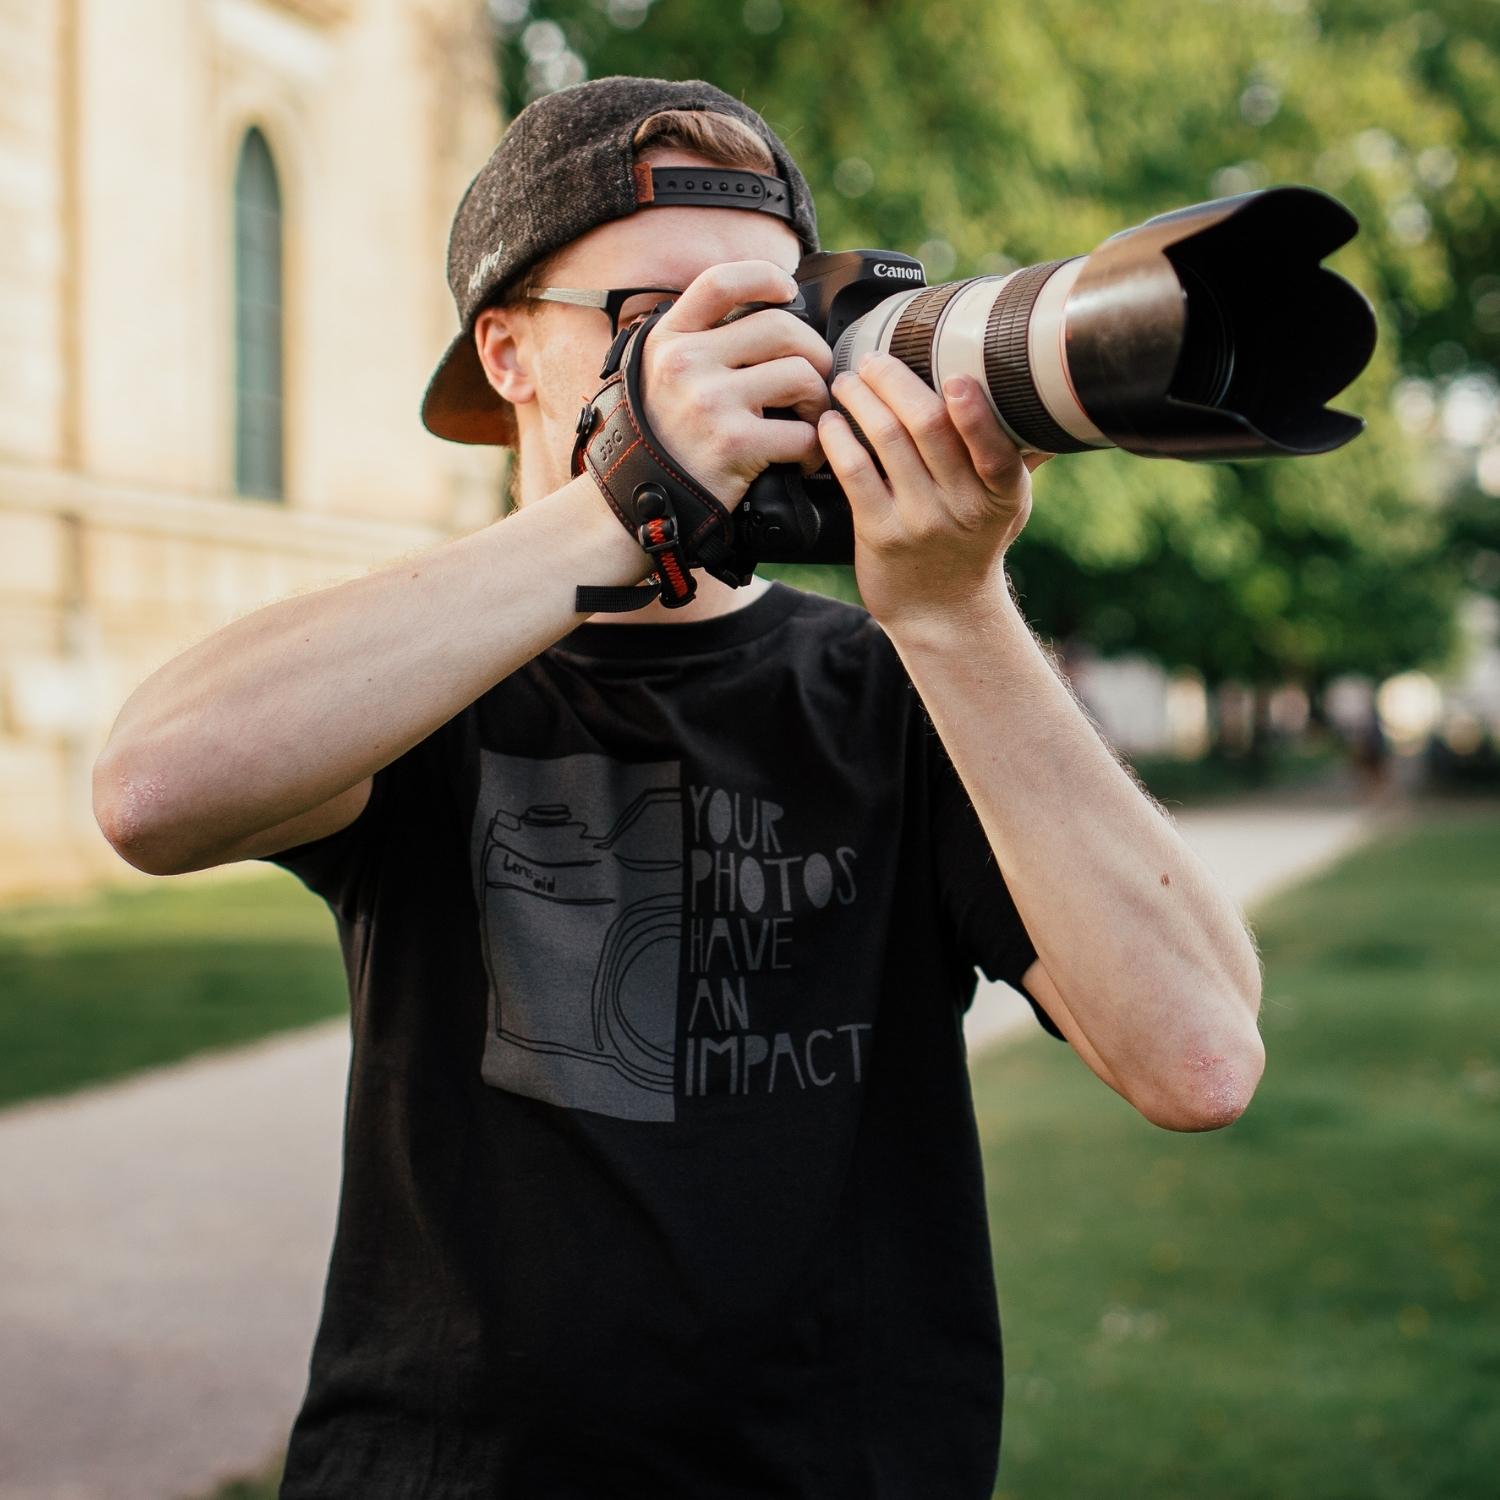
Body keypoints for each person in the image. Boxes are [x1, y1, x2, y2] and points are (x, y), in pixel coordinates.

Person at [92, 75, 1265, 1499]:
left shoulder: (904, 687)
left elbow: (1202, 1059)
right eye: (667, 324)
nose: (744, 368)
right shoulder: (424, 672)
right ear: (510, 352)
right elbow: (148, 793)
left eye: (771, 316)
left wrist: (956, 615)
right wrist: (618, 507)